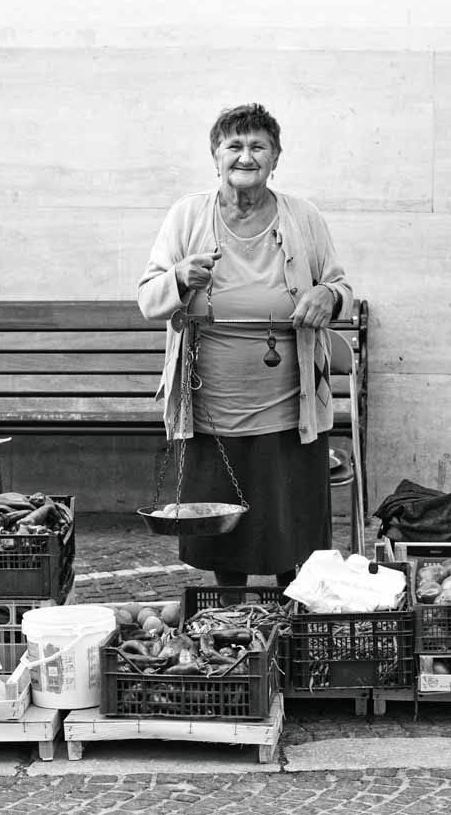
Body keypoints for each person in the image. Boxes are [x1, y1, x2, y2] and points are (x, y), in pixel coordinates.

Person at [138, 103, 352, 588]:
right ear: (215, 155)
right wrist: (178, 276)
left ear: (275, 157)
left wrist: (326, 295)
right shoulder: (188, 214)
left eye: (258, 146)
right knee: (220, 518)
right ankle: (228, 610)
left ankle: (294, 605)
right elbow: (149, 299)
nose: (245, 156)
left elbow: (340, 287)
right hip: (213, 402)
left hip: (288, 403)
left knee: (289, 514)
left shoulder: (305, 216)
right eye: (234, 146)